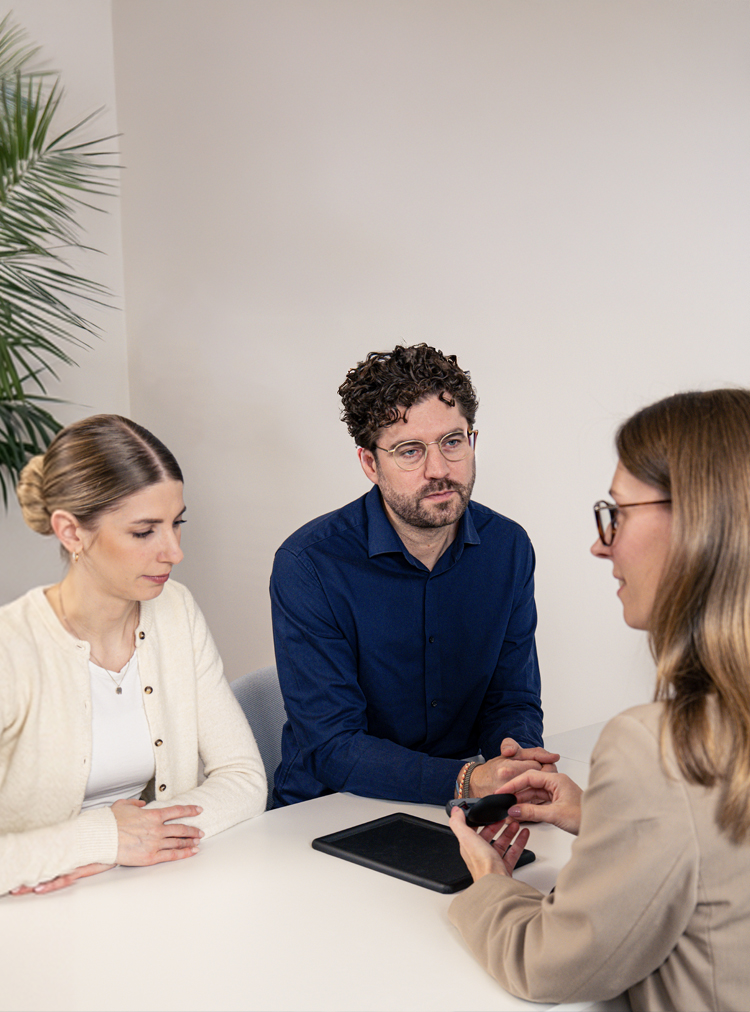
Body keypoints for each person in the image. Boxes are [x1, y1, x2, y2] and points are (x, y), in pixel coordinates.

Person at [449, 389, 750, 1012]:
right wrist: (611, 818)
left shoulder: (657, 748)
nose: (600, 544)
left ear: (700, 524)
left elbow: (549, 966)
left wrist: (490, 885)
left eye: (619, 513)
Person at [270, 344, 558, 807]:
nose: (439, 470)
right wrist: (467, 780)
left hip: (457, 800)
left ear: (473, 440)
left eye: (452, 441)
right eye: (410, 451)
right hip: (330, 806)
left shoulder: (508, 547)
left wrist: (515, 760)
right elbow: (333, 745)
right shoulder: (310, 564)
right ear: (370, 464)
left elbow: (511, 698)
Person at [1, 414, 266, 897]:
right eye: (144, 532)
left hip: (151, 884)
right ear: (71, 532)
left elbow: (244, 778)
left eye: (176, 524)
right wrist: (103, 840)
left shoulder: (175, 611)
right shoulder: (11, 649)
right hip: (33, 910)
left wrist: (138, 839)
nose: (174, 552)